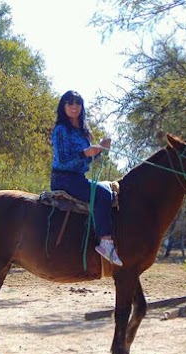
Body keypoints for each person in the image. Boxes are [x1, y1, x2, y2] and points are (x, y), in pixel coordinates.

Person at [50, 90, 123, 266]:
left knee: (107, 191)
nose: (74, 107)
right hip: (63, 178)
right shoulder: (61, 130)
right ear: (64, 107)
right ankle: (105, 241)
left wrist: (99, 151)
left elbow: (87, 158)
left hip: (78, 178)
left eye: (77, 103)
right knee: (103, 194)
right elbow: (63, 159)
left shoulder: (82, 131)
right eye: (70, 103)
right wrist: (86, 153)